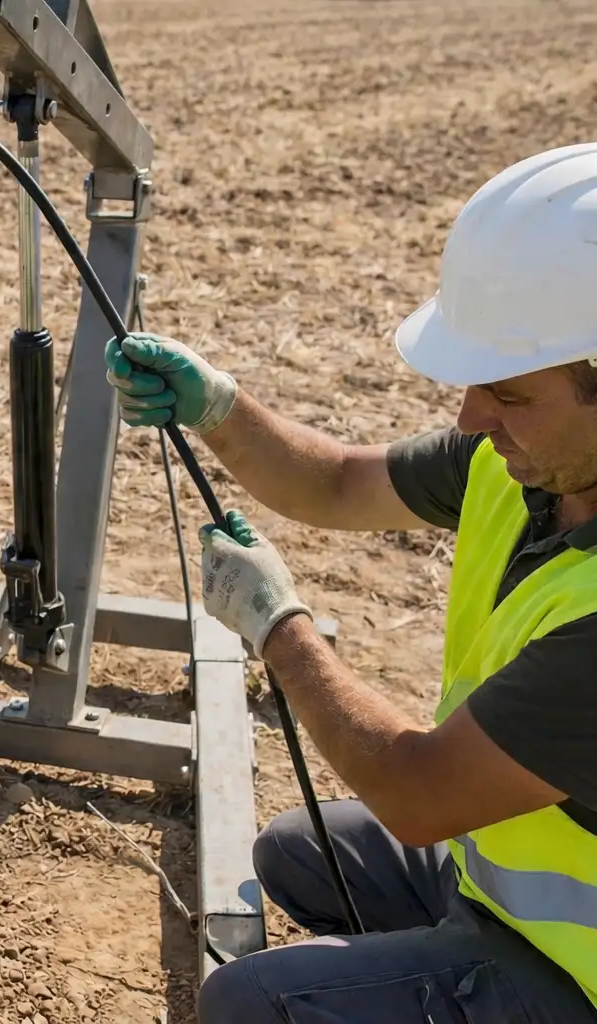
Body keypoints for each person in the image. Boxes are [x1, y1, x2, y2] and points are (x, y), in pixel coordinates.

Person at [105, 143, 597, 1021]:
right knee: (297, 852)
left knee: (249, 1004)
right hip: (507, 881)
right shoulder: (533, 464)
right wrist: (215, 404)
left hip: (580, 976)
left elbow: (417, 792)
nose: (471, 417)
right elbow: (334, 481)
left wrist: (277, 624)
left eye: (511, 396)